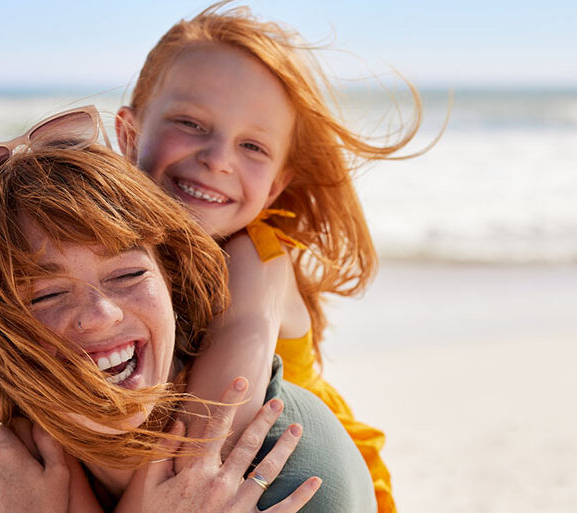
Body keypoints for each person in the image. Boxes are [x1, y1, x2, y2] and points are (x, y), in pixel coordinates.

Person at [0, 106, 376, 512]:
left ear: (170, 280)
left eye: (127, 275)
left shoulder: (280, 472)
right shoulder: (0, 452)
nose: (101, 313)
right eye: (45, 295)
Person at [115, 5, 430, 511]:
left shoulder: (257, 258)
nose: (218, 158)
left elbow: (214, 429)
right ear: (129, 135)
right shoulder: (108, 249)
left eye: (253, 146)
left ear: (277, 185)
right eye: (191, 123)